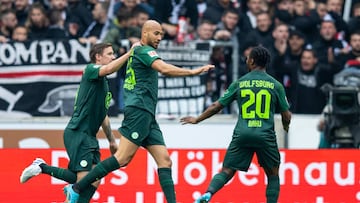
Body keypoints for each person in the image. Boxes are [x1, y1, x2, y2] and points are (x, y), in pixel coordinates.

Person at [64, 19, 214, 203]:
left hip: (148, 114)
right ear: (145, 33)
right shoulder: (144, 50)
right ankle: (76, 188)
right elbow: (164, 69)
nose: (159, 38)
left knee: (165, 161)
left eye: (161, 34)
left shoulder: (139, 52)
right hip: (139, 111)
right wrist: (193, 72)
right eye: (156, 33)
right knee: (121, 159)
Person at [19, 42, 138, 202]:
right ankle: (43, 168)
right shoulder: (91, 70)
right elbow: (109, 69)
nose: (113, 57)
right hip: (78, 132)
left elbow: (103, 114)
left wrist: (111, 140)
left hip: (89, 136)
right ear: (98, 56)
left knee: (94, 179)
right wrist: (131, 52)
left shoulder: (104, 84)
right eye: (109, 54)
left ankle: (43, 168)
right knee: (83, 180)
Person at [180, 45, 292, 203]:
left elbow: (216, 106)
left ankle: (208, 194)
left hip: (242, 134)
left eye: (247, 58)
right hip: (265, 135)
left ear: (252, 61)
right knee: (273, 175)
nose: (246, 60)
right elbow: (286, 114)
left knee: (226, 170)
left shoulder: (239, 83)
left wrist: (197, 119)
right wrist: (286, 127)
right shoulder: (276, 85)